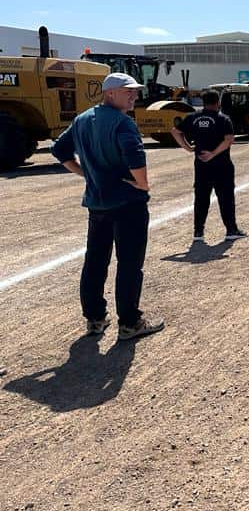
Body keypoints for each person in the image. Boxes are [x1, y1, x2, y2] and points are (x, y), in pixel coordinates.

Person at [51, 73, 165, 340]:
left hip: (98, 204)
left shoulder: (82, 119)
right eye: (129, 91)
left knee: (95, 260)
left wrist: (86, 175)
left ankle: (95, 318)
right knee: (129, 263)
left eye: (135, 91)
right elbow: (134, 155)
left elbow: (59, 151)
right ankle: (130, 323)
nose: (134, 96)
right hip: (127, 204)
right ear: (110, 93)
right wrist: (143, 184)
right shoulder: (122, 122)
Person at [172, 90, 247, 244]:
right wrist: (213, 154)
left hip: (201, 164)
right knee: (225, 198)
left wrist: (187, 148)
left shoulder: (192, 117)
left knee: (201, 198)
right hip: (222, 165)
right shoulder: (223, 119)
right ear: (218, 102)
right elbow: (228, 139)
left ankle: (198, 232)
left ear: (204, 102)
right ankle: (231, 230)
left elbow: (175, 131)